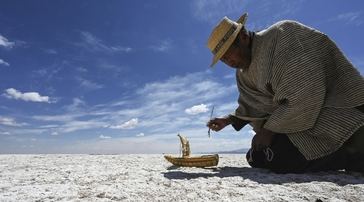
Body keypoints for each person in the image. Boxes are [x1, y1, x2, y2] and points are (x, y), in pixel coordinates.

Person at [206, 13, 364, 173]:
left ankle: (353, 152)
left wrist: (269, 130)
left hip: (338, 108)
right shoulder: (242, 74)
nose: (229, 62)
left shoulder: (282, 34)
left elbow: (305, 91)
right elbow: (252, 106)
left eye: (229, 53)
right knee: (257, 156)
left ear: (243, 37)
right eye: (223, 59)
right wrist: (227, 120)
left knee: (277, 156)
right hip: (297, 123)